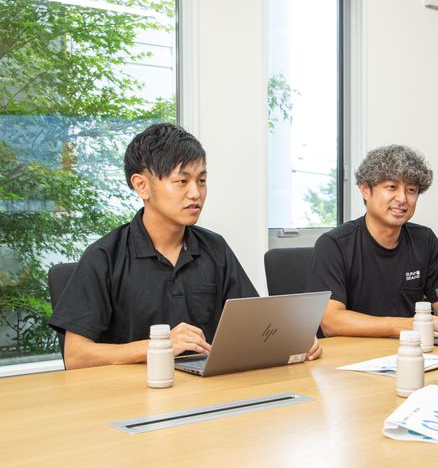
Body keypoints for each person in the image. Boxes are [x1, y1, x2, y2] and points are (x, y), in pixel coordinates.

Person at [49, 123, 321, 369]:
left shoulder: (214, 247)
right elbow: (76, 355)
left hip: (208, 392)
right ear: (142, 186)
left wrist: (290, 336)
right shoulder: (104, 256)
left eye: (201, 181)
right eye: (182, 181)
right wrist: (159, 346)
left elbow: (253, 324)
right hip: (135, 395)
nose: (195, 193)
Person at [306, 144, 438, 338]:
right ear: (365, 189)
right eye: (392, 187)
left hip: (408, 349)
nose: (402, 198)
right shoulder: (334, 245)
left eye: (411, 190)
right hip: (351, 352)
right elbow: (331, 322)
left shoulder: (425, 240)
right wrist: (402, 325)